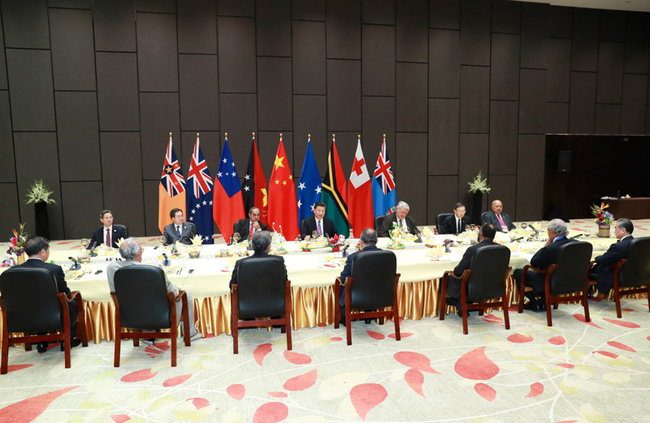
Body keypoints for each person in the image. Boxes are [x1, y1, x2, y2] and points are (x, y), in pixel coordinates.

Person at [107, 238, 202, 342]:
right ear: (138, 253)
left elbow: (114, 291)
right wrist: (179, 291)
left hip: (128, 315)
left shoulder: (112, 268)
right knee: (185, 294)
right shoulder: (153, 268)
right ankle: (191, 334)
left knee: (142, 299)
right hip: (159, 315)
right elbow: (171, 290)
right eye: (141, 250)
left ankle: (148, 336)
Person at [17, 236, 81, 353]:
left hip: (22, 316)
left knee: (36, 304)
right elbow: (65, 293)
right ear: (42, 251)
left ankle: (41, 341)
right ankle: (68, 340)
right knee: (72, 301)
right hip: (54, 315)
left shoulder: (13, 271)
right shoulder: (54, 269)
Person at [514, 219, 574, 311]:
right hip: (569, 279)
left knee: (518, 272)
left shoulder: (550, 248)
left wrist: (546, 245)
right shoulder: (574, 244)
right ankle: (542, 301)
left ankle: (534, 302)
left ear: (552, 231)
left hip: (548, 280)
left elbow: (534, 262)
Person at [338, 228, 389, 325]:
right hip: (382, 295)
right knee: (371, 283)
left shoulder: (354, 257)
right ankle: (369, 315)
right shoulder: (387, 255)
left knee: (341, 284)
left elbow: (344, 278)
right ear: (377, 241)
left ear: (361, 241)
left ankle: (345, 317)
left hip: (356, 297)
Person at [446, 223, 497, 315]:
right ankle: (467, 305)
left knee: (445, 278)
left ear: (480, 234)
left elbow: (458, 272)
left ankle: (459, 304)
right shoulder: (502, 249)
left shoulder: (473, 250)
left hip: (471, 288)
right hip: (494, 286)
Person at [593, 218, 635, 298]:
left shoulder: (618, 247)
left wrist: (596, 257)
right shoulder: (637, 243)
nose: (614, 231)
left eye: (616, 228)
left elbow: (602, 260)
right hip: (637, 274)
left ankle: (597, 294)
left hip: (616, 274)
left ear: (623, 230)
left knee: (593, 267)